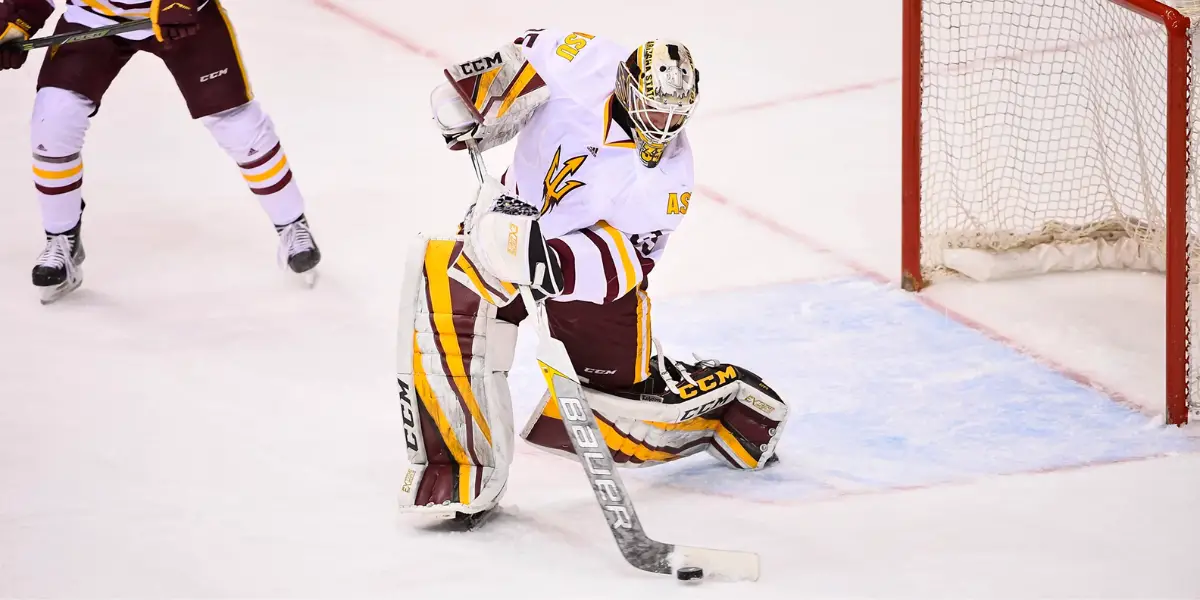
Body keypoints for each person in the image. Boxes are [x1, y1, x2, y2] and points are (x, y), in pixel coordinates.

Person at [394, 28, 790, 520]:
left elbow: (633, 259)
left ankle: (722, 412)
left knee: (623, 422)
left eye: (676, 113)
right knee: (446, 304)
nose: (664, 125)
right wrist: (477, 100)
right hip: (505, 225)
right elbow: (523, 49)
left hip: (583, 280)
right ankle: (457, 470)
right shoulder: (581, 61)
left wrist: (551, 263)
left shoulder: (671, 178)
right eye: (655, 108)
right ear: (626, 86)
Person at [0, 0, 321, 303]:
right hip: (93, 16)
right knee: (53, 120)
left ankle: (292, 224)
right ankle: (61, 240)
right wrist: (16, 19)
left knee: (238, 124)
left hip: (182, 19)